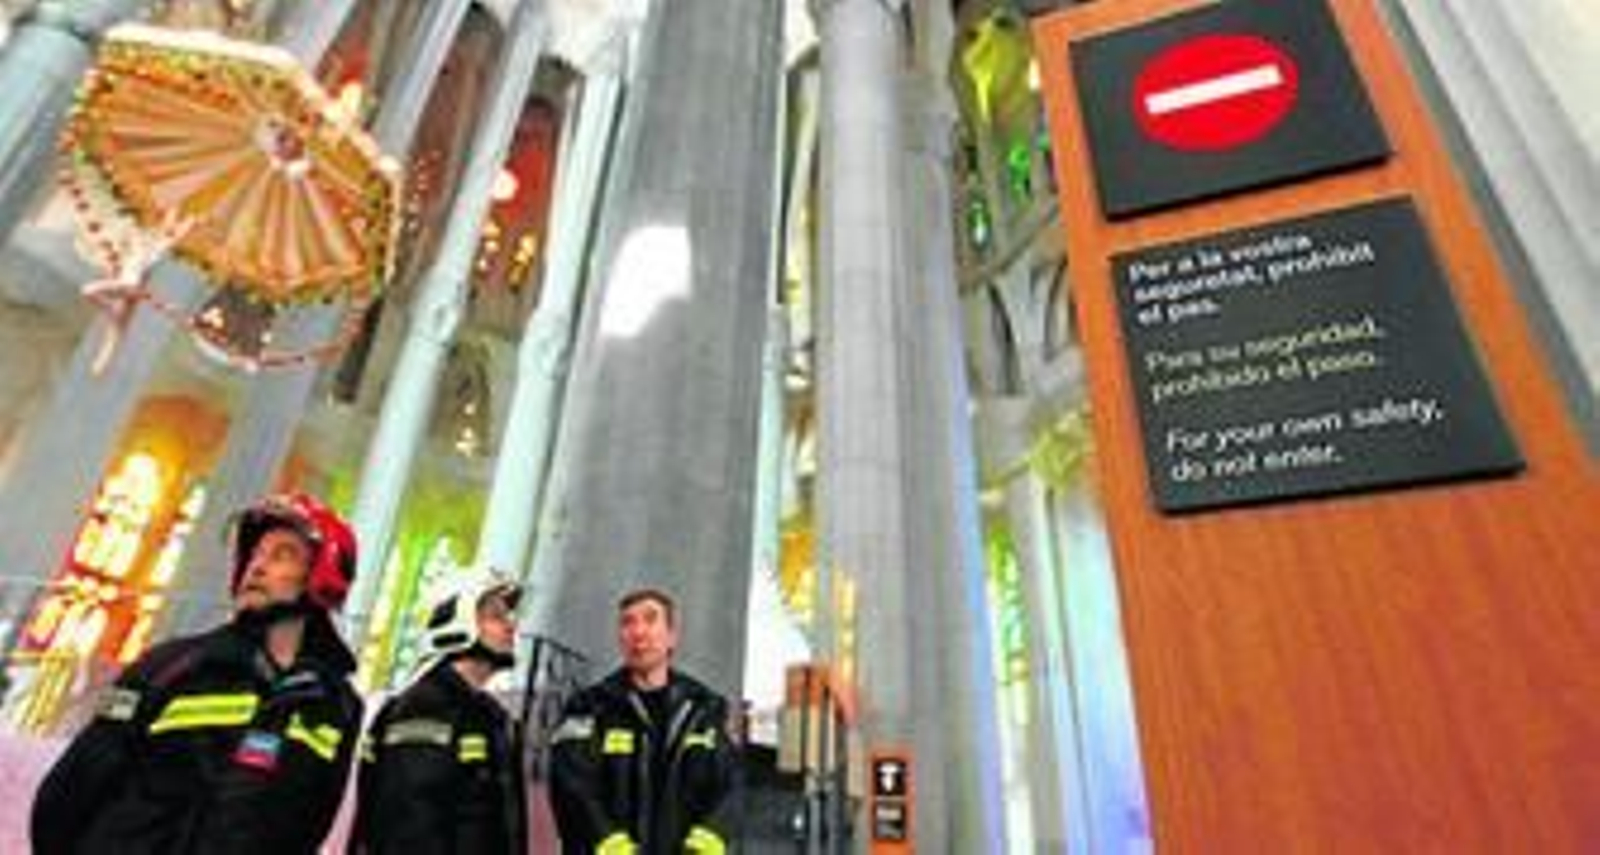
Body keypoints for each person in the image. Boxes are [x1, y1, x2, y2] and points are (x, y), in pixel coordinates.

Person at [31, 492, 364, 854]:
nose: (257, 566)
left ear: (324, 574)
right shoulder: (167, 667)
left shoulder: (337, 707)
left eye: (282, 555)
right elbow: (72, 791)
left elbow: (309, 829)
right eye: (256, 554)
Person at [348, 569, 527, 854]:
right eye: (496, 616)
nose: (511, 626)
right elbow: (408, 829)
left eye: (508, 616)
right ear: (456, 622)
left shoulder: (489, 715)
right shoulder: (423, 708)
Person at [549, 587, 738, 854]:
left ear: (671, 637)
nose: (638, 632)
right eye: (627, 622)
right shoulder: (587, 708)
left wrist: (700, 849)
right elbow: (572, 789)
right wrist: (614, 847)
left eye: (650, 619)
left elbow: (729, 789)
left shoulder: (705, 709)